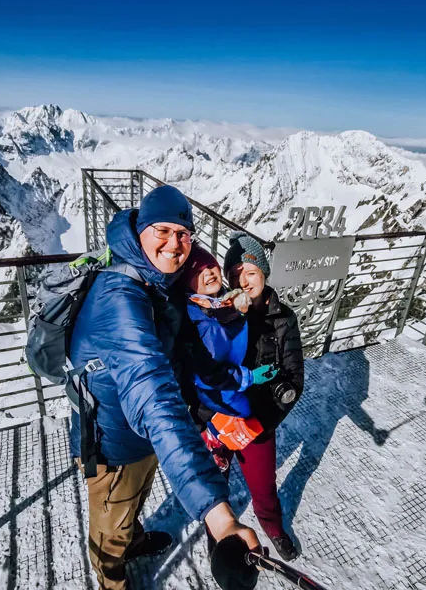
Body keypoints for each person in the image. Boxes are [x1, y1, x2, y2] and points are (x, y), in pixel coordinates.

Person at [68, 185, 260, 590]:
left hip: (140, 436)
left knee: (134, 502)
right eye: (163, 231)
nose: (175, 244)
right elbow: (153, 398)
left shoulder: (155, 279)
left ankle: (133, 541)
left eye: (183, 234)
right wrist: (220, 517)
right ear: (141, 229)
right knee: (111, 520)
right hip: (113, 441)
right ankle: (111, 579)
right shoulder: (120, 298)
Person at [186, 232, 305, 562]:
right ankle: (220, 542)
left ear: (264, 274)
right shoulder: (214, 307)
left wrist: (259, 422)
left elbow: (294, 379)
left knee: (264, 488)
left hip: (257, 421)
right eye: (235, 273)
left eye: (250, 272)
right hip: (215, 419)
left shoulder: (282, 319)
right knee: (214, 487)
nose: (243, 279)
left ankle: (274, 528)